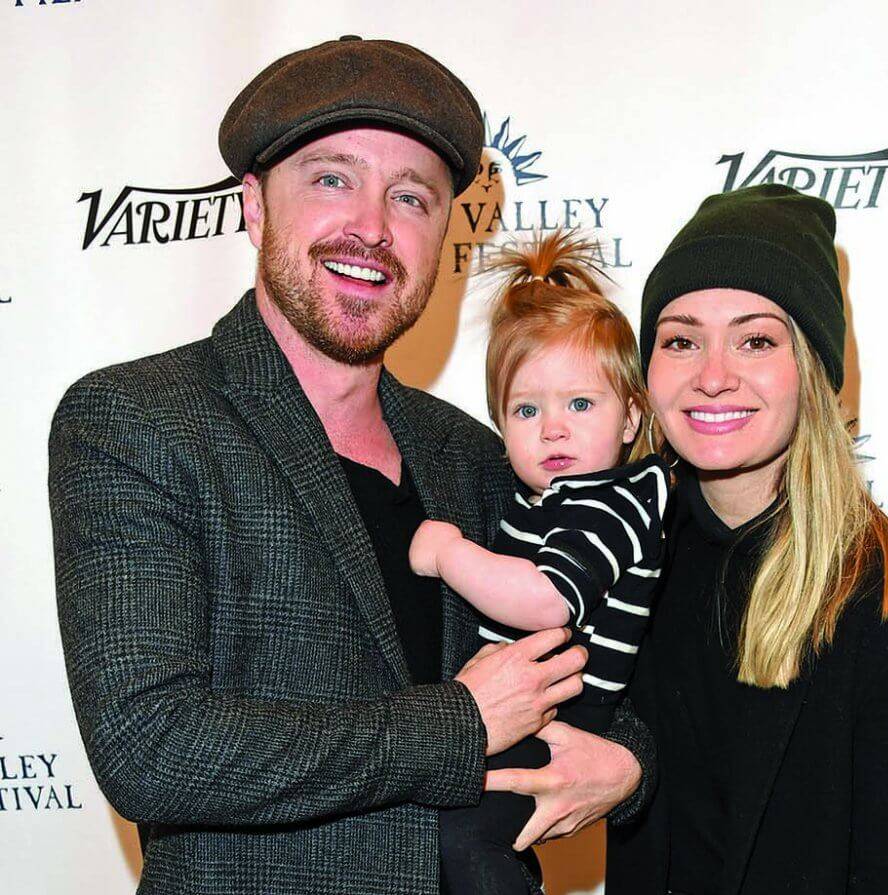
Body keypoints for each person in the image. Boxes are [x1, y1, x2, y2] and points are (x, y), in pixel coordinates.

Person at [47, 37, 652, 895]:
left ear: (447, 234)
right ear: (255, 205)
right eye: (333, 179)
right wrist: (457, 723)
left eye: (411, 197)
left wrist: (628, 764)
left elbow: (595, 667)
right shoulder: (139, 420)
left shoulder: (476, 453)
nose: (371, 227)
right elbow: (150, 745)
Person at [605, 184, 888, 895]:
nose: (713, 377)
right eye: (681, 339)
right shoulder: (621, 562)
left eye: (755, 339)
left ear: (811, 370)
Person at [408, 232, 670, 893]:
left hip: (558, 722)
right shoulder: (551, 498)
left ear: (632, 415)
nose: (553, 427)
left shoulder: (613, 499)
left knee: (464, 840)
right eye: (526, 409)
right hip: (522, 713)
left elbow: (547, 599)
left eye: (580, 404)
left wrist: (448, 553)